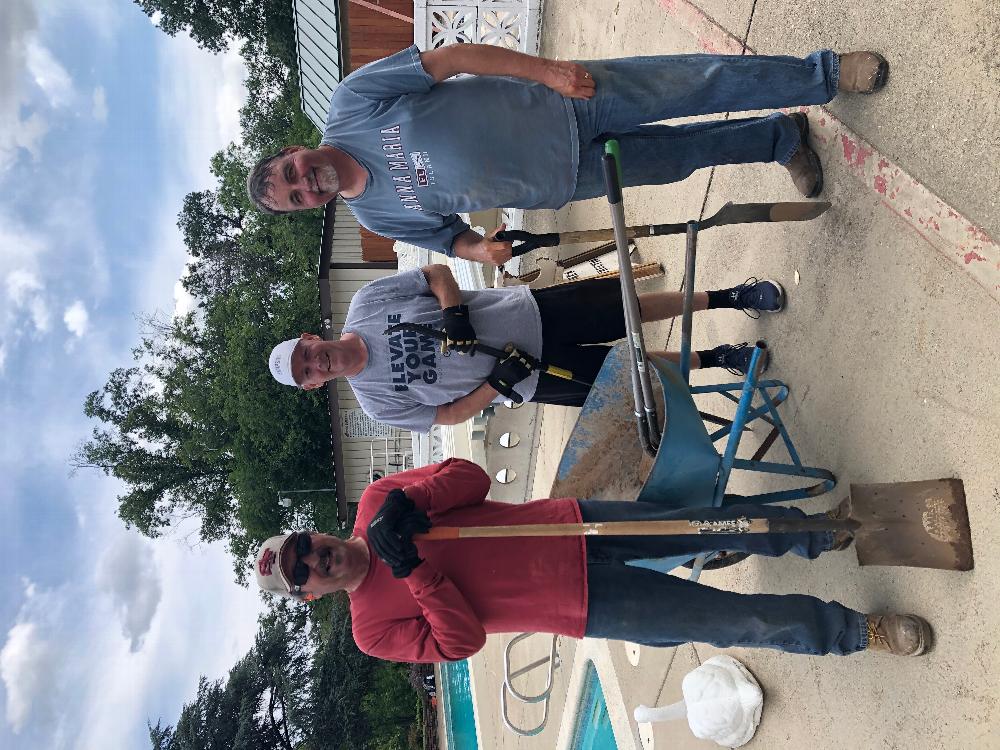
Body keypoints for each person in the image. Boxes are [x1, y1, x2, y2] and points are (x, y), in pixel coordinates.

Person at [245, 44, 888, 264]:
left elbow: (453, 59)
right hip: (563, 177)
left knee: (696, 83)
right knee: (682, 157)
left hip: (563, 102)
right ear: (309, 208)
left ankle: (824, 76)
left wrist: (548, 72)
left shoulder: (352, 103)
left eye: (292, 172)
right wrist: (480, 250)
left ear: (295, 151)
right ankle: (780, 138)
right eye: (298, 197)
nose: (307, 183)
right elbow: (448, 239)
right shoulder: (376, 216)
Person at [254, 458, 932, 662]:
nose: (313, 558)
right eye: (301, 572)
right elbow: (460, 643)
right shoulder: (371, 631)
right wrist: (414, 571)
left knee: (708, 523)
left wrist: (412, 501)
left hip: (574, 527)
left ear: (312, 533)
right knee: (731, 622)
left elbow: (473, 477)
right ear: (310, 595)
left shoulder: (378, 500)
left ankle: (819, 533)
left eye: (303, 545)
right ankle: (855, 632)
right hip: (582, 606)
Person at [267, 264, 787, 432]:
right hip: (531, 377)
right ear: (314, 385)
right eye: (306, 372)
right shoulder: (376, 404)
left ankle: (729, 296)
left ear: (310, 338)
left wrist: (453, 314)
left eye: (305, 354)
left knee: (631, 306)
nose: (313, 363)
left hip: (528, 313)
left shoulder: (366, 303)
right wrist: (497, 384)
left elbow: (436, 274)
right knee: (631, 373)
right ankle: (721, 358)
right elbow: (447, 415)